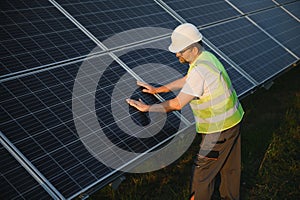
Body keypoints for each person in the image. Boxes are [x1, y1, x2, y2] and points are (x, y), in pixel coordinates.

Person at [126, 23, 244, 200]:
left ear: (193, 48)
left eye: (180, 50)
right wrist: (159, 89)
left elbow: (176, 104)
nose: (177, 54)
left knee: (202, 174)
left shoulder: (200, 70)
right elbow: (188, 79)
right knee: (230, 168)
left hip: (217, 131)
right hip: (233, 121)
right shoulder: (207, 57)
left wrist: (148, 108)